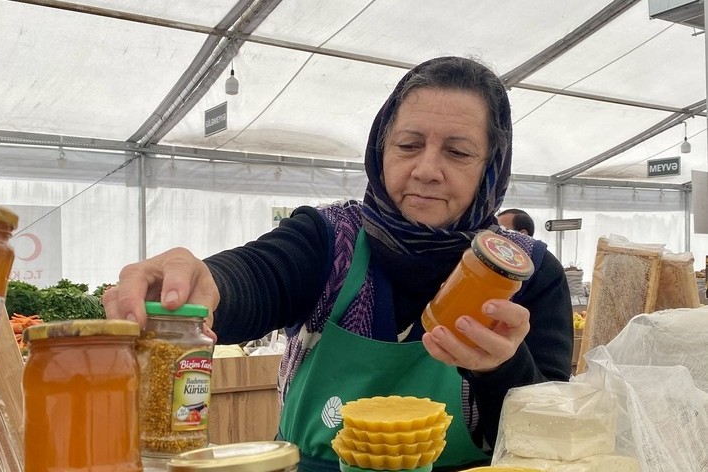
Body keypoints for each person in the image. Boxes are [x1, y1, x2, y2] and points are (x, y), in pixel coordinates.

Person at [104, 56, 573, 472]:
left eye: (458, 152)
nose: (427, 169)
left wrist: (503, 369)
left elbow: (551, 442)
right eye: (408, 145)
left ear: (493, 165)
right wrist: (207, 282)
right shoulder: (330, 240)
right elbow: (259, 274)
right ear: (380, 150)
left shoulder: (523, 272)